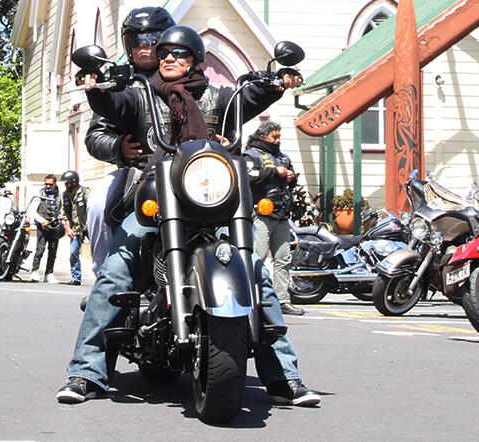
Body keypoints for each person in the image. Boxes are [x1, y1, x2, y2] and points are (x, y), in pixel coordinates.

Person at [57, 25, 319, 407]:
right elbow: (113, 106)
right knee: (115, 272)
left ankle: (285, 377)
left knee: (257, 274)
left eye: (177, 53)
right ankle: (86, 373)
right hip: (156, 199)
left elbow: (252, 96)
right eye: (163, 52)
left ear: (197, 60)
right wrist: (99, 87)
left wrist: (277, 80)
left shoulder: (222, 98)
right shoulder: (142, 93)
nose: (167, 58)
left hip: (209, 201)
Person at [84, 6, 175, 276]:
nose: (143, 47)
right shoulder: (118, 81)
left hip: (185, 170)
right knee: (99, 205)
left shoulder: (186, 76)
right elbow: (95, 135)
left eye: (151, 39)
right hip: (135, 171)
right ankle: (105, 276)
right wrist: (118, 149)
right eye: (136, 40)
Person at [244, 121, 303, 316]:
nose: (277, 140)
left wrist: (291, 178)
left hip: (282, 213)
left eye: (279, 137)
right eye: (274, 137)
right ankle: (252, 296)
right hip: (260, 213)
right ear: (262, 136)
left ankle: (283, 300)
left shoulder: (283, 157)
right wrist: (274, 172)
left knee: (283, 259)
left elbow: (292, 181)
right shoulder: (251, 155)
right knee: (257, 257)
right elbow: (247, 177)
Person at [29, 174, 63, 283]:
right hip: (42, 226)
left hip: (54, 227)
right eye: (46, 184)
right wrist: (41, 220)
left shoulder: (60, 195)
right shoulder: (39, 194)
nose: (48, 186)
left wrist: (61, 216)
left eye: (50, 184)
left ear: (55, 184)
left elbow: (63, 209)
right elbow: (32, 211)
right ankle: (34, 271)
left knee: (53, 251)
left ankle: (49, 273)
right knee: (40, 249)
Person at [61, 171, 90, 286]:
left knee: (98, 252)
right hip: (76, 229)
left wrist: (88, 225)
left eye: (67, 183)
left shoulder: (85, 192)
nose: (66, 185)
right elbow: (66, 213)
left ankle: (102, 277)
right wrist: (68, 228)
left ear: (74, 182)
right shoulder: (65, 195)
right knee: (73, 253)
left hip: (89, 227)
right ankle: (76, 277)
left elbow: (92, 208)